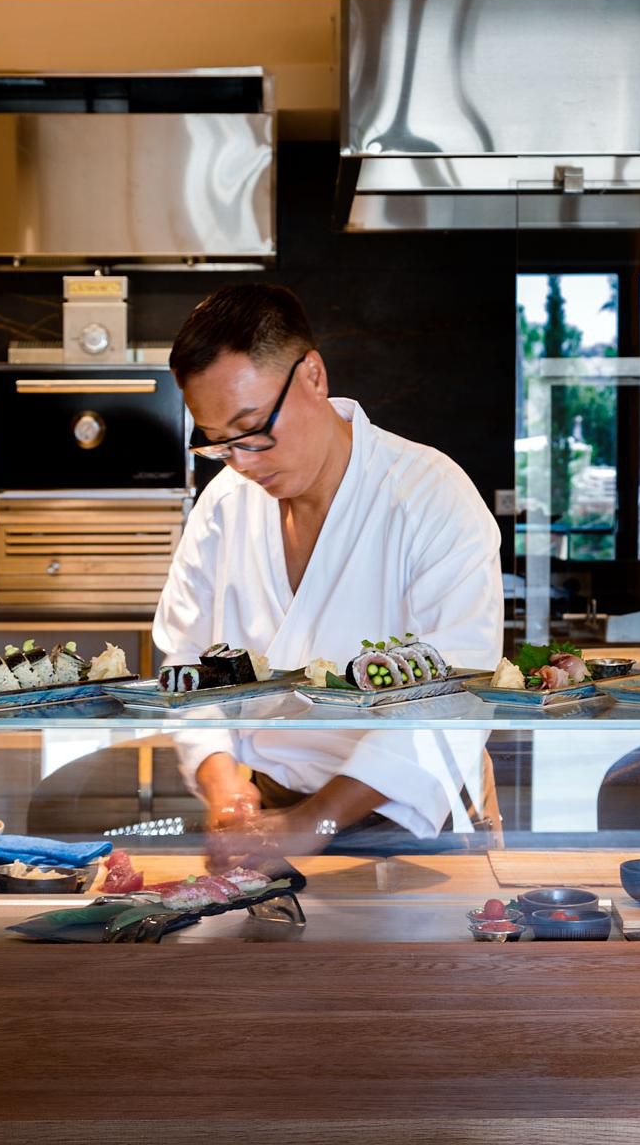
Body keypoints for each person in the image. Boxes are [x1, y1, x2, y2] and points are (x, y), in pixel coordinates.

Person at [153, 283, 504, 872]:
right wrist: (223, 783)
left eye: (253, 428)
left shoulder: (429, 495)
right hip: (271, 812)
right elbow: (186, 665)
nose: (243, 461)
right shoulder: (224, 507)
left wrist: (314, 822)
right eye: (218, 444)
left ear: (313, 375)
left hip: (418, 825)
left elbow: (455, 695)